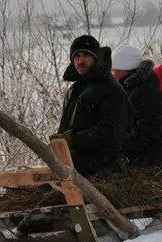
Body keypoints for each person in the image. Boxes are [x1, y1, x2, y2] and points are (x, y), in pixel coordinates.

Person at [51, 34, 130, 178]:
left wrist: (74, 140)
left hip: (104, 170)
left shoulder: (111, 89)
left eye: (85, 55)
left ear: (95, 58)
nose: (80, 61)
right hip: (77, 166)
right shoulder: (75, 89)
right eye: (76, 56)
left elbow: (111, 131)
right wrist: (62, 140)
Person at [111, 44, 162, 168]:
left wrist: (117, 144)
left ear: (124, 69)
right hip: (138, 158)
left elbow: (147, 133)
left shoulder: (147, 92)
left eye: (114, 69)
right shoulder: (129, 89)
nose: (111, 74)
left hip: (149, 162)